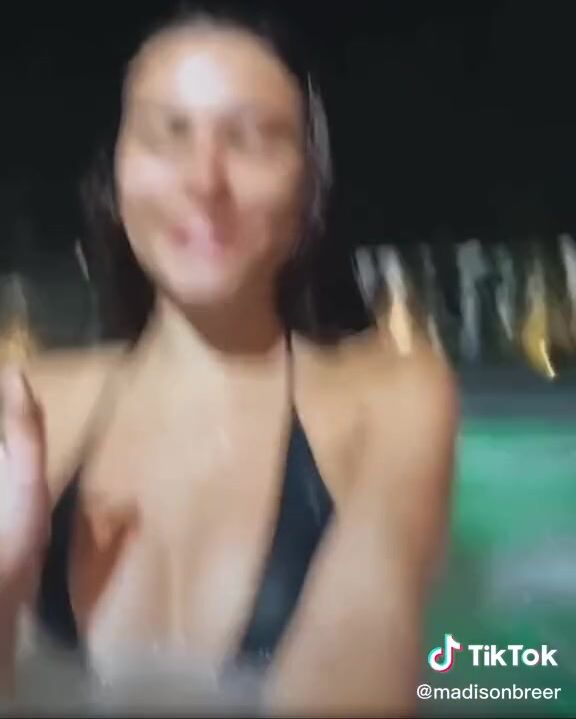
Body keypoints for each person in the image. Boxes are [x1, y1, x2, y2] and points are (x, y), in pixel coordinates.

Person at [0, 8, 458, 714]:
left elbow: (357, 674)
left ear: (308, 182)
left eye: (251, 138)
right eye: (166, 134)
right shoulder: (32, 407)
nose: (204, 181)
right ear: (115, 172)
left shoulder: (394, 400)